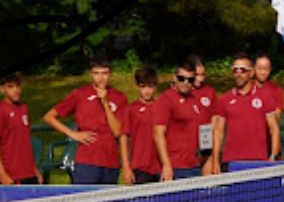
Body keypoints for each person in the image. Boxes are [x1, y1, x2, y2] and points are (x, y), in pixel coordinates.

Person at [42, 56, 128, 185]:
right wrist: (72, 134)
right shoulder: (80, 94)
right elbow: (49, 117)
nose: (100, 77)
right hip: (87, 162)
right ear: (90, 75)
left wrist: (105, 103)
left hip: (111, 162)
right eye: (96, 73)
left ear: (110, 75)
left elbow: (117, 132)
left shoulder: (119, 97)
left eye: (104, 73)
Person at [210, 52, 280, 174]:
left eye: (243, 70)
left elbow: (274, 129)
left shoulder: (265, 97)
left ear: (251, 73)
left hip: (258, 161)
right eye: (235, 70)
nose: (238, 74)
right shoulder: (224, 100)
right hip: (231, 162)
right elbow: (218, 132)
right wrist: (215, 161)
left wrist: (273, 157)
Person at [153, 60, 207, 180]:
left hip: (194, 166)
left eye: (190, 80)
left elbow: (204, 131)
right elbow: (158, 133)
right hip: (175, 168)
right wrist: (166, 165)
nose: (186, 83)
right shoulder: (166, 99)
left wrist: (207, 159)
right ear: (174, 77)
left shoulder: (196, 100)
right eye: (182, 78)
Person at [119, 66, 162, 184]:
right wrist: (126, 167)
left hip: (159, 166)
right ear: (138, 86)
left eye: (150, 86)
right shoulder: (131, 109)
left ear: (155, 87)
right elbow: (123, 138)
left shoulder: (161, 108)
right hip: (139, 166)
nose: (147, 91)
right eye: (143, 87)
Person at [0, 74, 42, 185]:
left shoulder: (23, 108)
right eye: (10, 87)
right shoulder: (2, 110)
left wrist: (34, 169)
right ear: (2, 89)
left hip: (29, 173)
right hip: (12, 175)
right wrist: (3, 174)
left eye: (18, 86)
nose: (16, 90)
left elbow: (25, 142)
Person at [190, 54, 216, 163]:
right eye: (197, 75)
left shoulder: (210, 92)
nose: (200, 79)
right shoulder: (184, 92)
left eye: (203, 75)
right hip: (188, 145)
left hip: (206, 143)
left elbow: (215, 118)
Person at [253, 53, 284, 118]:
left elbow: (276, 117)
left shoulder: (276, 90)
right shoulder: (246, 89)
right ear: (253, 68)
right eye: (259, 68)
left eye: (266, 69)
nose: (263, 72)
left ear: (270, 69)